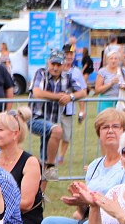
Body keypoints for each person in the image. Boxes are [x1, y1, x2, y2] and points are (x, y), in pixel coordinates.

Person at [40, 108, 125, 224]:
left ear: (124, 132)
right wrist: (79, 199)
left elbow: (124, 204)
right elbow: (83, 210)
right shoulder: (95, 165)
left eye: (115, 126)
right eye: (105, 127)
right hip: (90, 218)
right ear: (99, 133)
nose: (110, 131)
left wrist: (92, 200)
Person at [30, 49, 86, 180]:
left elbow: (83, 92)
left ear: (63, 65)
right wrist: (58, 97)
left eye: (58, 65)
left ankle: (40, 195)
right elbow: (37, 92)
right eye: (53, 64)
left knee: (44, 161)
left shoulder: (68, 77)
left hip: (52, 120)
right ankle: (51, 166)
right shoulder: (41, 73)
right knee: (57, 131)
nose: (55, 68)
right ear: (48, 63)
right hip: (35, 118)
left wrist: (70, 97)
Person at [0, 108, 43, 224]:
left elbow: (26, 203)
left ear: (15, 134)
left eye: (0, 130)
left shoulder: (30, 162)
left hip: (26, 221)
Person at [93, 48, 125, 112]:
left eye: (115, 59)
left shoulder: (123, 71)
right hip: (105, 102)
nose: (113, 61)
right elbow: (97, 90)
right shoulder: (102, 72)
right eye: (111, 58)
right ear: (107, 60)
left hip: (120, 101)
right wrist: (110, 83)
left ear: (119, 60)